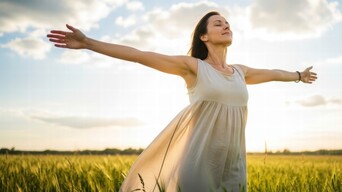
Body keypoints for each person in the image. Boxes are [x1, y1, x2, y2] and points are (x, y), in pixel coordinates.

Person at [47, 11, 317, 192]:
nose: (226, 25)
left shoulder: (240, 71)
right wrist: (89, 43)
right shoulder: (193, 67)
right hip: (199, 161)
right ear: (204, 36)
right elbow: (139, 54)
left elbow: (273, 74)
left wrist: (298, 75)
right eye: (217, 23)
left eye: (227, 22)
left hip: (234, 163)